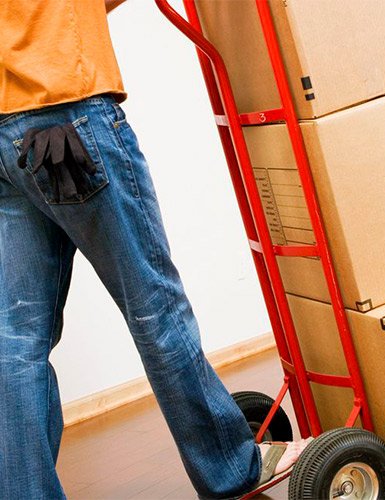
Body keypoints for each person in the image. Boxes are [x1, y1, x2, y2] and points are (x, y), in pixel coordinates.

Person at [0, 1, 310, 498]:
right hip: (71, 120)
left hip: (4, 135)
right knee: (155, 308)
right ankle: (232, 468)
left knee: (15, 341)